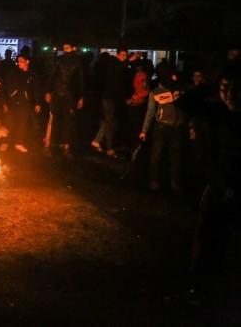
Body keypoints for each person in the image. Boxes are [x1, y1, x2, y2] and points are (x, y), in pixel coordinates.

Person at [177, 70, 241, 311]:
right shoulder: (219, 113)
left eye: (235, 89)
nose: (230, 94)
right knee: (206, 240)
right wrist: (211, 85)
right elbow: (184, 102)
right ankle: (200, 292)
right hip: (218, 187)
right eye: (225, 89)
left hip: (233, 189)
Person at [140, 63, 186, 193]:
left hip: (177, 127)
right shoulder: (156, 92)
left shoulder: (180, 89)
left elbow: (186, 108)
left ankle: (174, 181)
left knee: (175, 156)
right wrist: (144, 130)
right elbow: (150, 112)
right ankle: (154, 180)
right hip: (161, 127)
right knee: (157, 155)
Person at [45, 42, 84, 158]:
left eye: (66, 48)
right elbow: (81, 80)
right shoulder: (78, 61)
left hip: (60, 93)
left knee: (56, 120)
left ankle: (51, 145)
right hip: (68, 94)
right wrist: (81, 96)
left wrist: (48, 91)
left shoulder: (60, 60)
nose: (65, 50)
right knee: (66, 121)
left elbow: (52, 76)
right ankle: (63, 146)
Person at [91, 47, 130, 157]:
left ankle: (97, 141)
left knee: (108, 121)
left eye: (126, 55)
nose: (124, 57)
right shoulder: (114, 63)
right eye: (123, 54)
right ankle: (109, 148)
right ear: (118, 54)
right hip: (109, 97)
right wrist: (128, 61)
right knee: (110, 122)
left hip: (110, 97)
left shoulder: (114, 64)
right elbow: (118, 72)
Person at [3, 53, 42, 152]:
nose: (19, 63)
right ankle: (6, 141)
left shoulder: (32, 74)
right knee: (9, 122)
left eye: (21, 61)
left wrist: (38, 102)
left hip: (25, 102)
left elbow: (36, 89)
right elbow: (6, 87)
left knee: (22, 123)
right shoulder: (13, 72)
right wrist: (7, 100)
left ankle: (18, 143)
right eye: (18, 61)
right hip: (13, 101)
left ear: (27, 62)